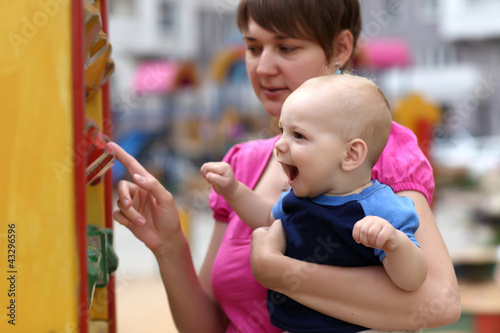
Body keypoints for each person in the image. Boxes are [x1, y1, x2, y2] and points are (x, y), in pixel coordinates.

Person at [111, 0, 461, 332]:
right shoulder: (241, 165)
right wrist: (169, 244)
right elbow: (211, 326)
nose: (263, 67)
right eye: (252, 47)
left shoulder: (377, 151)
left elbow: (439, 301)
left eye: (286, 47)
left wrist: (281, 272)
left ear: (340, 48)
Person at [200, 74, 427, 332]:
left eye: (298, 135)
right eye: (281, 131)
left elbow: (414, 279)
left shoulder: (381, 208)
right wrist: (233, 189)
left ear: (351, 154)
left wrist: (394, 243)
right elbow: (266, 218)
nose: (280, 145)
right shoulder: (296, 200)